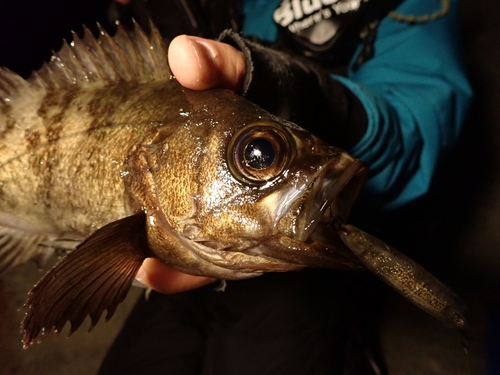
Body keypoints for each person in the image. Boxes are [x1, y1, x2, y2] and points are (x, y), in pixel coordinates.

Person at [98, 0, 472, 374]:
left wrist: (329, 108)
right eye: (258, 157)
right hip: (188, 249)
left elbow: (420, 122)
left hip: (300, 279)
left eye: (258, 155)